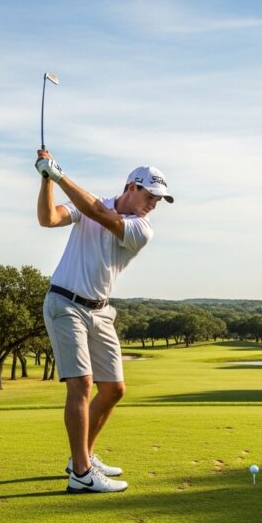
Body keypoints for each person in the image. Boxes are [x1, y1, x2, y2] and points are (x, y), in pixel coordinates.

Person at [36, 149, 173, 494]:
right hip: (65, 303)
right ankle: (81, 473)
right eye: (150, 196)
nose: (153, 205)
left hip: (101, 311)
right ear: (132, 186)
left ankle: (81, 456)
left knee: (113, 389)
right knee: (82, 385)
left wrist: (58, 174)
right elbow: (48, 219)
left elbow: (99, 213)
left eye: (158, 200)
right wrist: (47, 180)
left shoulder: (141, 228)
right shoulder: (89, 203)